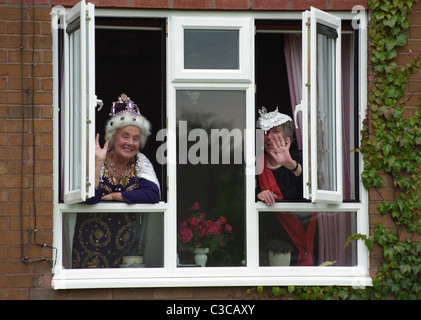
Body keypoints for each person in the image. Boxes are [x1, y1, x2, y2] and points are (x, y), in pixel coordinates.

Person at [71, 94, 160, 268]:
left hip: (126, 246)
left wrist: (114, 196)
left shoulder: (140, 162)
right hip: (89, 245)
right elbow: (90, 198)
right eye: (125, 136)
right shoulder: (97, 158)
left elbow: (152, 194)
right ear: (112, 138)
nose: (130, 143)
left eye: (135, 138)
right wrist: (97, 163)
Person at [256, 107, 317, 266]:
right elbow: (240, 196)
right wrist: (258, 194)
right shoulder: (256, 163)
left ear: (287, 136)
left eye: (276, 131)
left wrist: (290, 165)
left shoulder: (300, 157)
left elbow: (313, 185)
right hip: (269, 240)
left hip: (304, 235)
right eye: (265, 132)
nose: (269, 137)